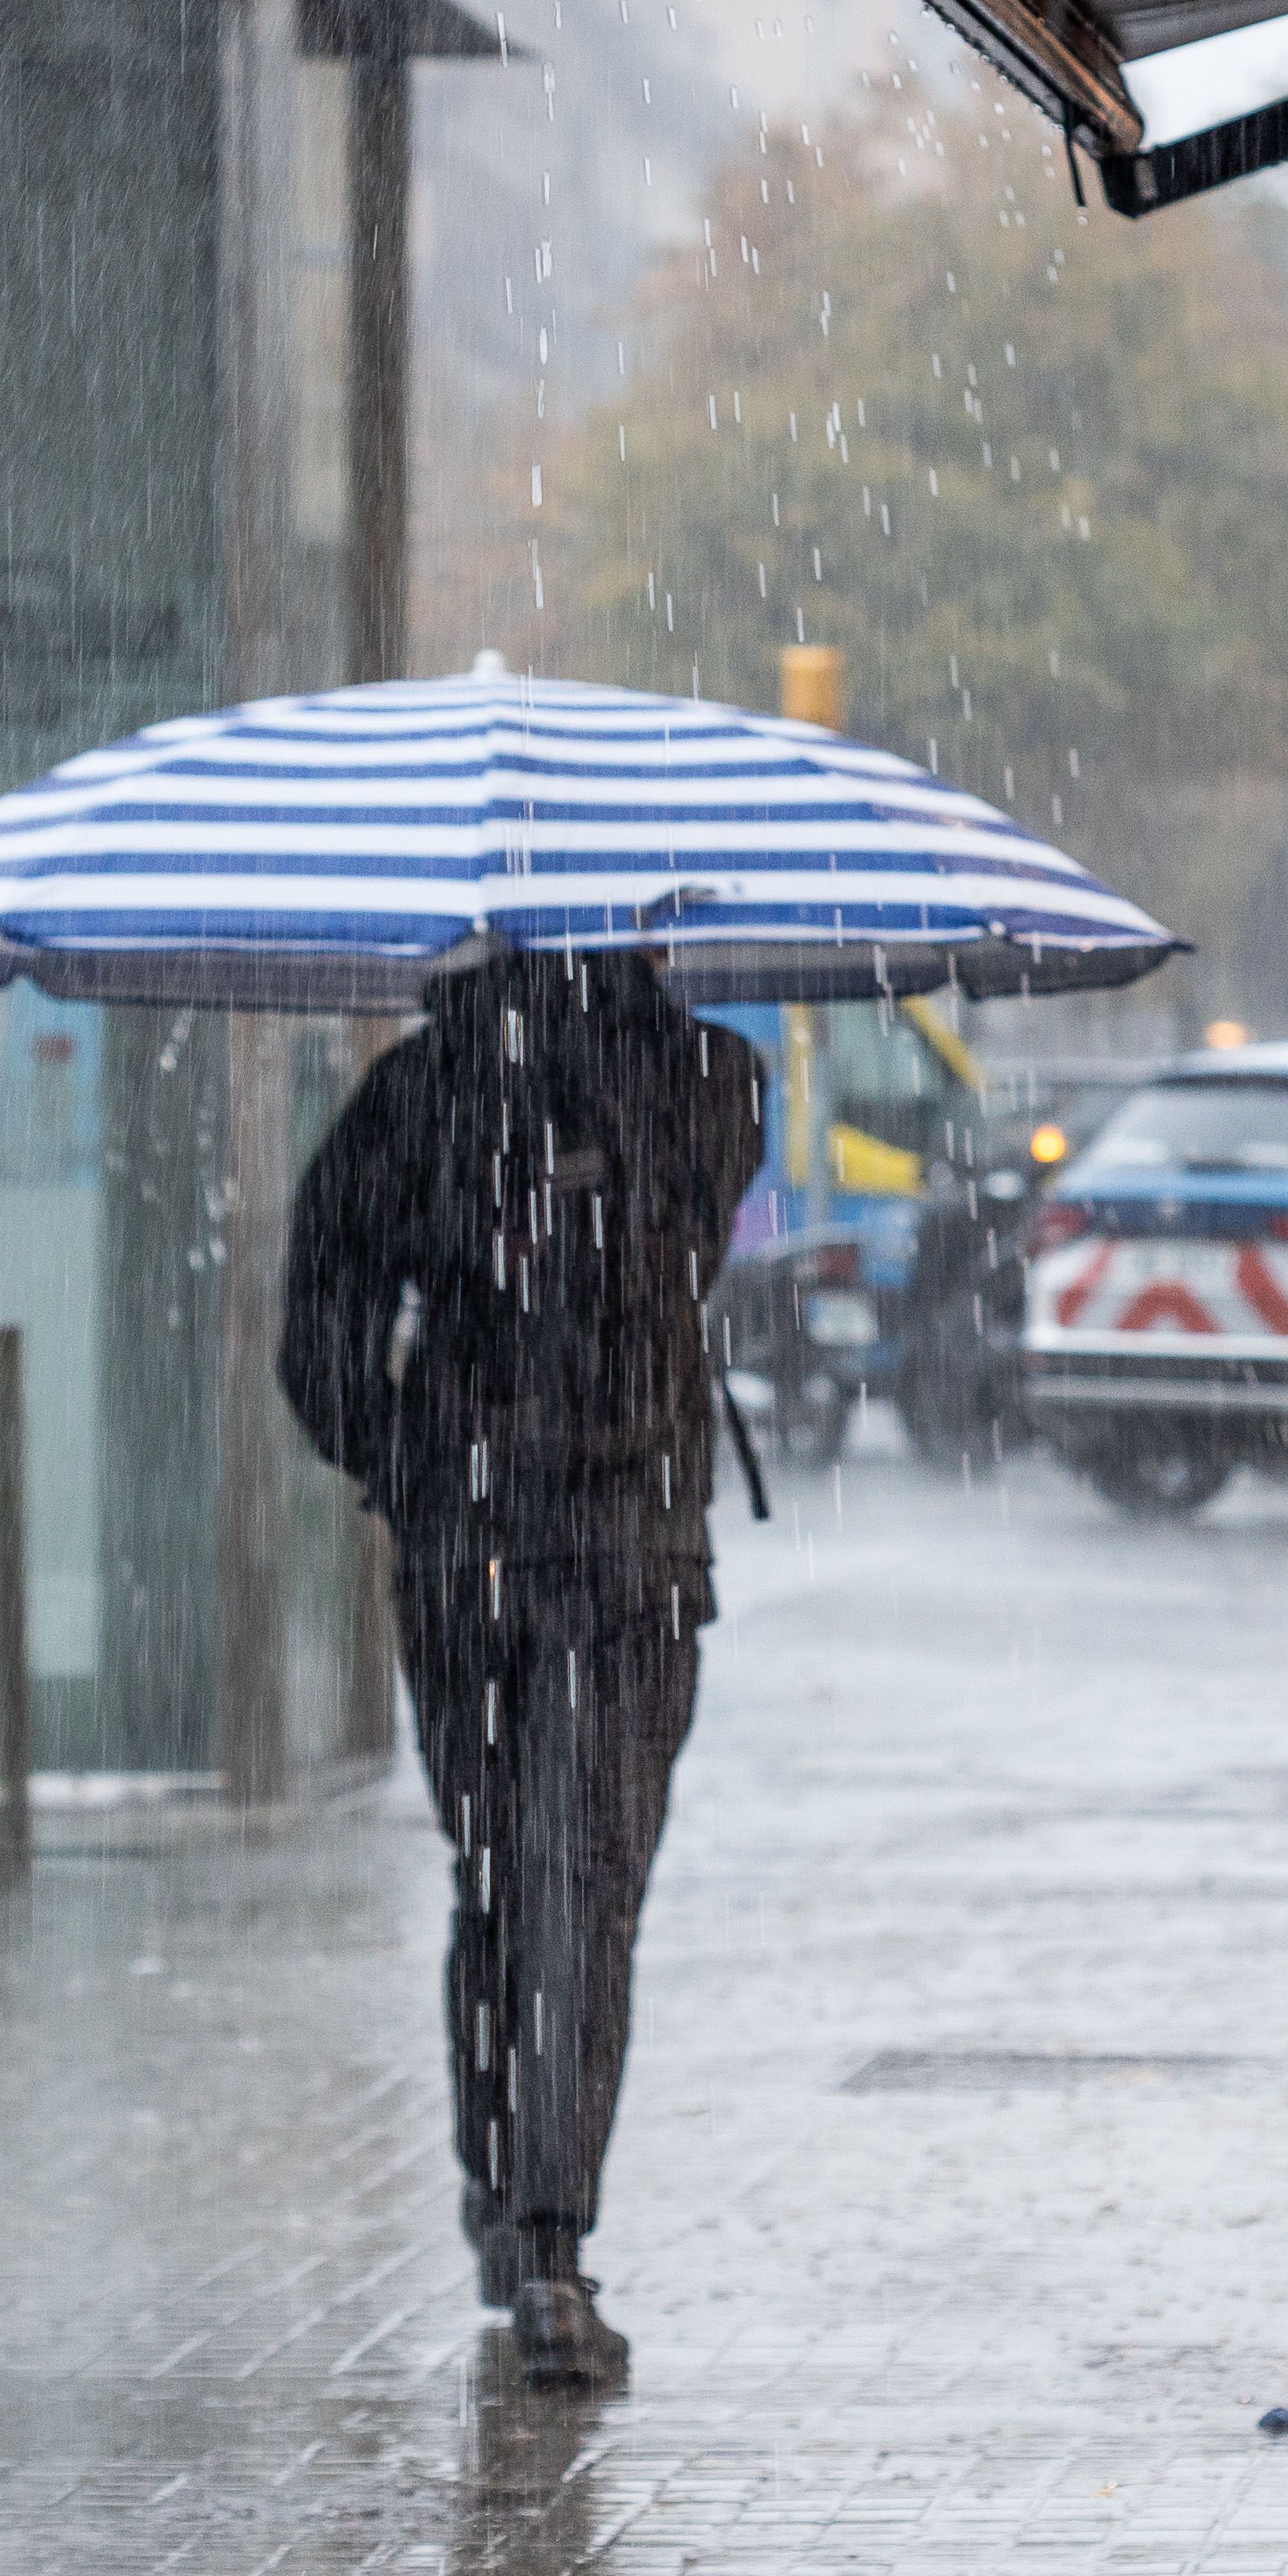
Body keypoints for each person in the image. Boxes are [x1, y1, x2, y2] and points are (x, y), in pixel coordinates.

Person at [278, 948, 767, 2385]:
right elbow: (689, 1236)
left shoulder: (413, 1095)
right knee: (588, 1886)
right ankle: (552, 2241)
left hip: (467, 1549)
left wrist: (404, 1459)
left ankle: (510, 2201)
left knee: (501, 1872)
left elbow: (319, 1326)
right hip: (633, 1553)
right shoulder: (710, 1082)